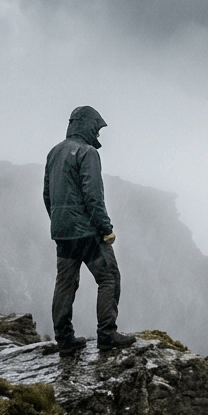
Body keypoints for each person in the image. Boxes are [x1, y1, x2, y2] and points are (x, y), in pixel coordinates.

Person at [43, 105, 136, 355]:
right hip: (87, 232)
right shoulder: (87, 153)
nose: (98, 135)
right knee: (109, 277)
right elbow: (93, 195)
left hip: (62, 232)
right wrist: (105, 228)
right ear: (87, 126)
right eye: (97, 128)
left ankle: (65, 340)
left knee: (65, 283)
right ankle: (107, 335)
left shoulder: (54, 152)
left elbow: (47, 195)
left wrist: (59, 220)